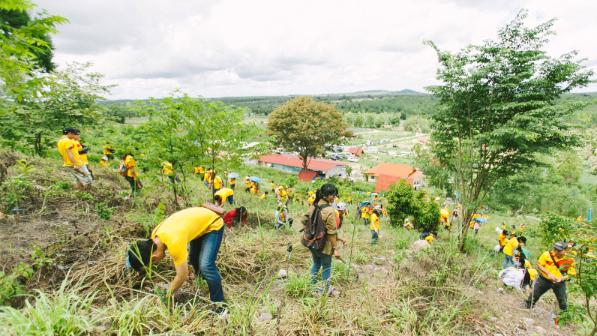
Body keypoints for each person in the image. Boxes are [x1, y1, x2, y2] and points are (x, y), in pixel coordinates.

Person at [127, 206, 232, 309]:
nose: (156, 263)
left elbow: (181, 276)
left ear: (154, 257)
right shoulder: (155, 235)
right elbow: (178, 259)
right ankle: (205, 283)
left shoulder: (174, 241)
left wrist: (166, 296)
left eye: (154, 262)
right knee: (194, 259)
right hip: (198, 224)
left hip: (212, 224)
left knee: (206, 266)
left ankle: (220, 305)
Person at [300, 183, 342, 295]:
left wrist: (313, 231)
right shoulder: (330, 211)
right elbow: (331, 233)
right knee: (327, 267)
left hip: (312, 243)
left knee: (316, 263)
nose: (334, 197)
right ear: (325, 195)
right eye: (332, 195)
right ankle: (325, 290)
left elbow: (303, 220)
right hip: (324, 245)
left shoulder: (314, 205)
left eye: (335, 195)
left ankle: (311, 285)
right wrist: (336, 249)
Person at [525, 242, 576, 312]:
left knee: (562, 300)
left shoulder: (569, 260)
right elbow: (539, 264)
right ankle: (528, 307)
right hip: (544, 279)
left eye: (559, 250)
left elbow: (571, 274)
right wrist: (548, 273)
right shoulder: (547, 254)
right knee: (534, 295)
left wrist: (561, 279)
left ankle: (563, 316)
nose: (556, 252)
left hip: (559, 283)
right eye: (555, 249)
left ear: (565, 250)